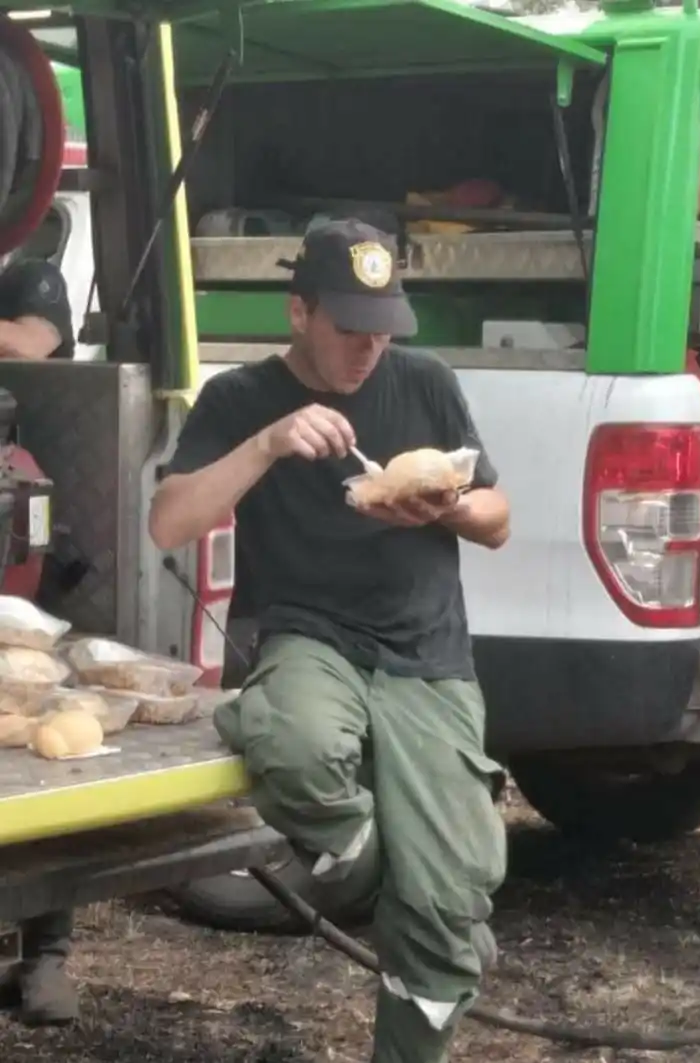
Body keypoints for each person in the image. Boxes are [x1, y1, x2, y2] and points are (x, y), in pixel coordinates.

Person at [149, 218, 510, 1063]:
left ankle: (415, 993)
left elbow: (497, 518)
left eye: (385, 326)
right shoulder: (241, 398)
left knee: (448, 905)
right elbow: (170, 520)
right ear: (298, 312)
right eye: (351, 326)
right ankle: (382, 870)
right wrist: (271, 444)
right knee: (297, 745)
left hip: (425, 657)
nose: (371, 346)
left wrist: (447, 505)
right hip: (312, 638)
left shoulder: (426, 384)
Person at [0, 250, 77, 1027]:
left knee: (36, 748)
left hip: (21, 567)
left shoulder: (28, 268)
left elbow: (31, 342)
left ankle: (45, 953)